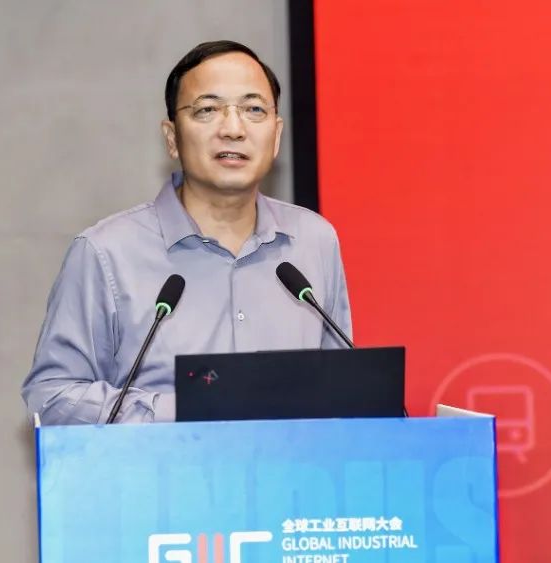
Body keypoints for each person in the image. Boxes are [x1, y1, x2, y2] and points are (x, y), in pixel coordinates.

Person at [21, 40, 351, 424]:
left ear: (276, 136)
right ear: (172, 138)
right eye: (207, 109)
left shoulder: (314, 241)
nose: (233, 129)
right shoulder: (106, 252)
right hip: (156, 464)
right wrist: (186, 410)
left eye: (254, 110)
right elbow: (52, 397)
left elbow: (342, 392)